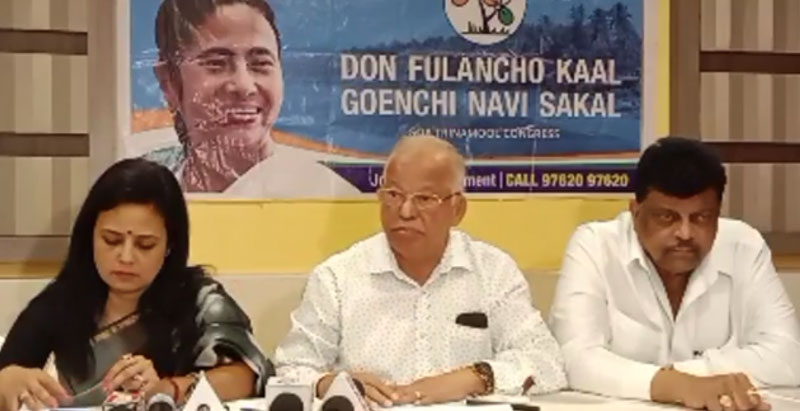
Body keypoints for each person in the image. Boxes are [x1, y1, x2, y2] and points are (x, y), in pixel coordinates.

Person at [275, 135, 566, 406]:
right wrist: (328, 384)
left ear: (457, 209)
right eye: (393, 195)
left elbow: (546, 362)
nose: (405, 211)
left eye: (424, 199)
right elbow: (291, 369)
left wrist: (474, 378)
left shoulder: (492, 272)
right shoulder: (337, 278)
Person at [0, 159, 273, 410]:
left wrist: (169, 389)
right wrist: (7, 381)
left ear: (169, 246)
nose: (126, 257)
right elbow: (7, 377)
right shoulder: (60, 303)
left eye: (145, 244)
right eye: (111, 240)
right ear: (90, 236)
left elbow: (249, 374)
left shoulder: (198, 299)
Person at [550, 137, 800, 410]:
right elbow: (573, 358)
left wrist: (686, 378)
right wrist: (679, 386)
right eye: (667, 217)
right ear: (635, 212)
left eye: (701, 217)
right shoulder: (596, 246)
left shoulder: (743, 246)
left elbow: (788, 356)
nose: (685, 233)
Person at [146, 0, 359, 197]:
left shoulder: (323, 195)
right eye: (216, 63)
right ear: (168, 81)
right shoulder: (152, 195)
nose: (244, 86)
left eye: (260, 64)